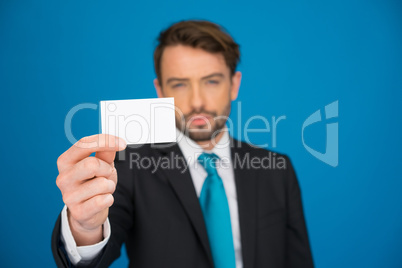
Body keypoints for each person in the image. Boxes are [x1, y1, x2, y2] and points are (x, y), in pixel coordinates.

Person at [52, 20, 314, 268]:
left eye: (212, 81)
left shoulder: (277, 170)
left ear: (234, 85)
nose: (197, 101)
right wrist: (85, 227)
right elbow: (90, 259)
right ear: (161, 91)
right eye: (180, 84)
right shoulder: (127, 166)